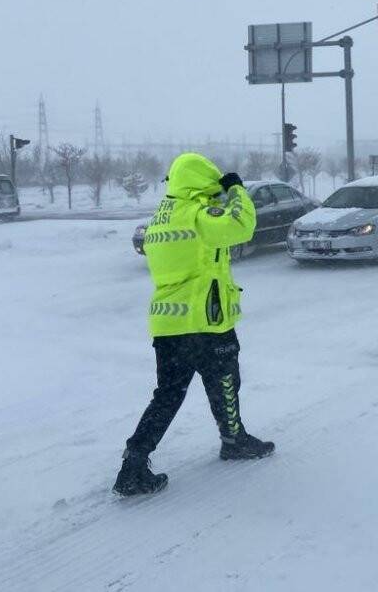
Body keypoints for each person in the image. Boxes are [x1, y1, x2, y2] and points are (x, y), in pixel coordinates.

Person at [113, 153, 274, 497]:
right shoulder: (199, 213)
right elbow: (242, 226)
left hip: (168, 323)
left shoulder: (159, 218)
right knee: (226, 379)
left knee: (167, 395)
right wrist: (236, 190)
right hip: (206, 319)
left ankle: (133, 465)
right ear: (203, 183)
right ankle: (234, 440)